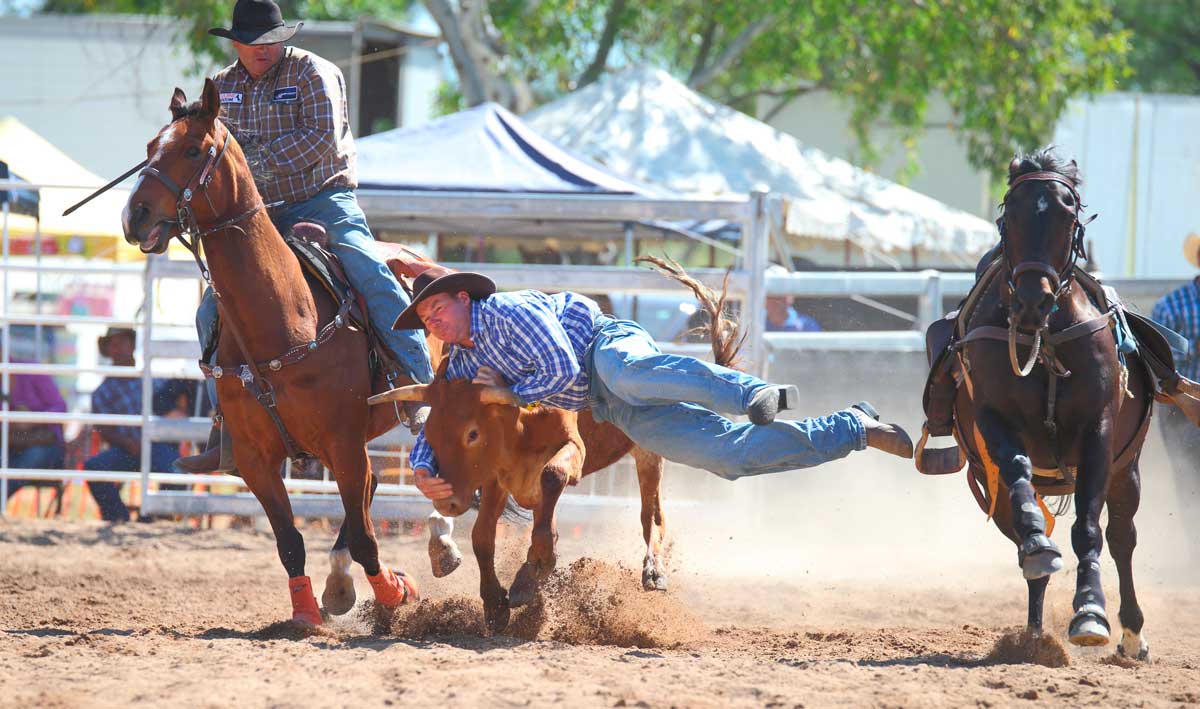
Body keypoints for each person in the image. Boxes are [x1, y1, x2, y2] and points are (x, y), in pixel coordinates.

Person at [172, 0, 433, 475]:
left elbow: (320, 139)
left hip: (322, 200)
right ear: (236, 43)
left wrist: (248, 164)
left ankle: (419, 384)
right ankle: (227, 423)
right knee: (212, 308)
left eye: (271, 41)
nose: (263, 50)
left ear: (283, 39)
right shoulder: (223, 88)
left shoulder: (314, 73)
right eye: (253, 43)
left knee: (366, 268)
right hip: (259, 214)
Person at [395, 269, 914, 503]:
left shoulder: (506, 309)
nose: (434, 322)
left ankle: (751, 393)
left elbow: (561, 368)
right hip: (609, 408)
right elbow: (441, 417)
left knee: (630, 373)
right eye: (425, 319)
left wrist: (511, 393)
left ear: (464, 298)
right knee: (725, 458)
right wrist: (422, 466)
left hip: (603, 347)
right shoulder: (464, 365)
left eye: (438, 308)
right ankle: (853, 428)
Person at [1150, 233, 1200, 558]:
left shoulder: (1171, 305)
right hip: (1183, 407)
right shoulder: (1171, 307)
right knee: (1190, 477)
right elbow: (1159, 366)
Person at [82, 328, 143, 522]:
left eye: (123, 342)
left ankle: (153, 517)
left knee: (179, 468)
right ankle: (119, 518)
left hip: (154, 446)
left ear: (132, 345)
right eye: (114, 344)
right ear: (108, 350)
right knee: (94, 467)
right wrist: (128, 443)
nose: (119, 348)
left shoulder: (152, 379)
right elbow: (104, 429)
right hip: (125, 450)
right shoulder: (103, 391)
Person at [1, 343, 68, 505]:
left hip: (44, 445)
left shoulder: (30, 370)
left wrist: (30, 420)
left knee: (29, 459)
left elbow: (60, 407)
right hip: (11, 445)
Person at [765, 264, 822, 333]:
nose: (778, 301)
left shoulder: (807, 326)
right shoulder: (755, 325)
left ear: (791, 296)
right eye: (772, 294)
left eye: (783, 292)